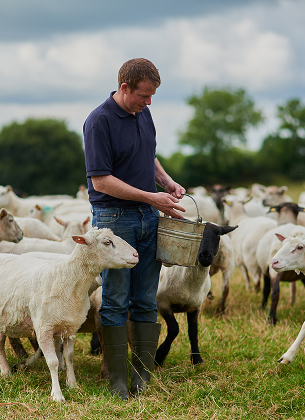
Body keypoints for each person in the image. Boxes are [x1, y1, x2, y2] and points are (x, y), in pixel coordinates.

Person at [83, 58, 186, 399]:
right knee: (114, 300)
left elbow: (147, 156)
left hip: (148, 217)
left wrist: (166, 182)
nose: (149, 102)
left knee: (145, 299)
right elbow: (102, 180)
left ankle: (142, 376)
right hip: (114, 220)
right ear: (124, 88)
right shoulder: (99, 122)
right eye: (144, 95)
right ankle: (117, 381)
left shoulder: (143, 113)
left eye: (153, 96)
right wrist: (150, 197)